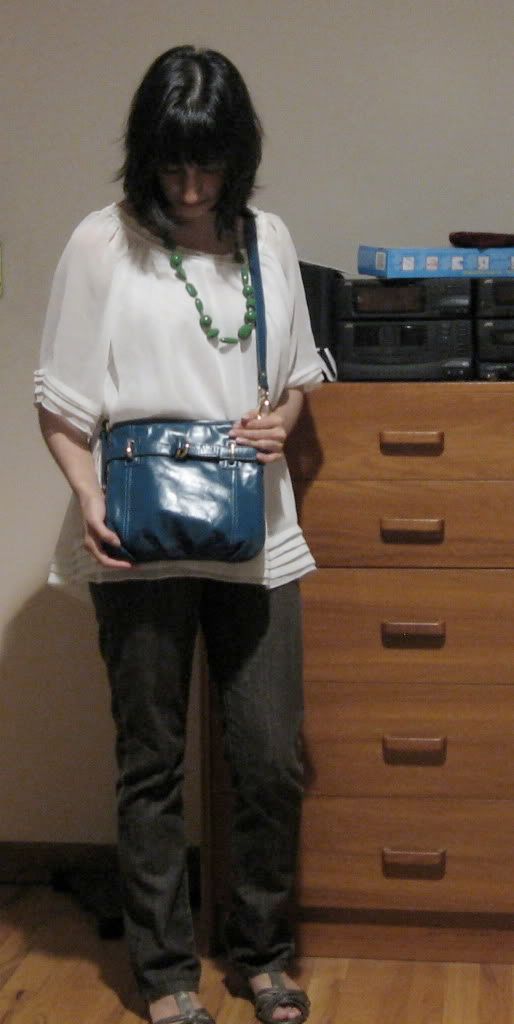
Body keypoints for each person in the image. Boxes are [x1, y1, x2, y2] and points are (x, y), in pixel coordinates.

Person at [35, 46, 323, 1024]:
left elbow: (294, 375)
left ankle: (263, 953)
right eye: (172, 165)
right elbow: (60, 403)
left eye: (209, 165)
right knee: (151, 760)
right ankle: (164, 975)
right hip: (138, 531)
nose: (191, 188)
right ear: (145, 156)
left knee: (270, 757)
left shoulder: (267, 238)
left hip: (255, 527)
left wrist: (281, 419)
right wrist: (87, 495)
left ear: (238, 157)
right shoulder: (102, 243)